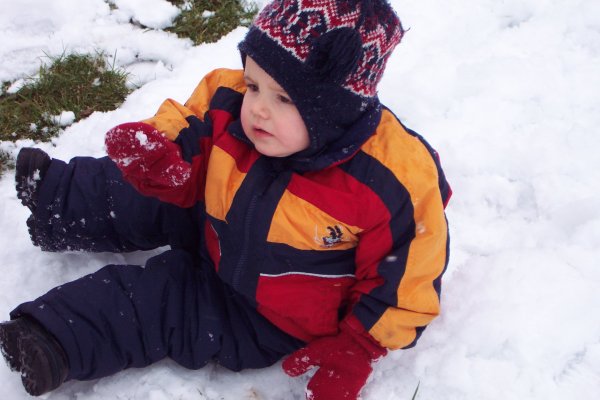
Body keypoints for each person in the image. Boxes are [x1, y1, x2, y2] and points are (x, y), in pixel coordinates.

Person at [0, 0, 452, 398]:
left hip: (258, 311)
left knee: (155, 307)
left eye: (282, 98)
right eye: (254, 85)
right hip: (215, 217)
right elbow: (192, 120)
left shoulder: (391, 184)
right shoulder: (234, 101)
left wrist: (354, 350)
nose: (256, 107)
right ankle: (58, 198)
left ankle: (52, 339)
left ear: (332, 112)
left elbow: (404, 282)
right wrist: (163, 149)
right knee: (138, 190)